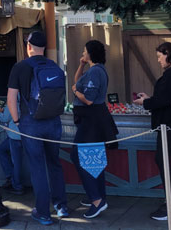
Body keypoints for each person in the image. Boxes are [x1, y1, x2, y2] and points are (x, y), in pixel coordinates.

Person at [7, 30, 68, 225]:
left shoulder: (19, 67)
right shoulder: (54, 66)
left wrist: (17, 122)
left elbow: (11, 99)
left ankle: (43, 212)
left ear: (29, 47)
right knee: (54, 164)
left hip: (31, 123)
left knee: (37, 167)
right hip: (53, 121)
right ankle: (61, 206)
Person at [134, 42, 171, 220]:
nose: (158, 60)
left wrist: (145, 102)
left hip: (169, 124)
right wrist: (151, 99)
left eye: (160, 56)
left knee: (162, 160)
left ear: (168, 54)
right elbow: (169, 98)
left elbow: (164, 100)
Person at [70, 40, 118, 219]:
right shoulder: (94, 70)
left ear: (90, 53)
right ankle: (99, 195)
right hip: (93, 119)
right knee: (94, 157)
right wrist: (80, 66)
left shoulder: (96, 71)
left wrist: (75, 92)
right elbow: (77, 82)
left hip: (91, 120)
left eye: (84, 52)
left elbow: (88, 99)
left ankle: (96, 200)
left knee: (78, 155)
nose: (82, 54)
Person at [0, 101, 24, 195]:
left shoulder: (13, 99)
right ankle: (11, 178)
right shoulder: (25, 97)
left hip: (15, 135)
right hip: (24, 134)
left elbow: (5, 118)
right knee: (2, 150)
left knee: (16, 162)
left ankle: (17, 186)